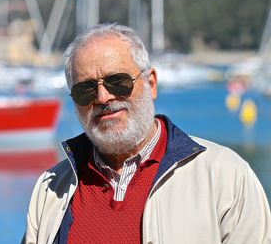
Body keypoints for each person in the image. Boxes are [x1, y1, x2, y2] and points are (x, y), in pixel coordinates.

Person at [22, 23, 271, 244]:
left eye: (117, 81)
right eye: (85, 90)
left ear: (150, 83)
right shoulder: (50, 190)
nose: (103, 97)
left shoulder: (224, 176)